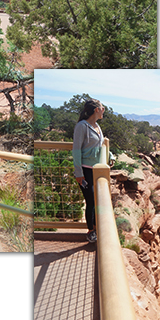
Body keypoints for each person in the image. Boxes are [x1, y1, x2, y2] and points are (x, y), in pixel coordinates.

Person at [72, 98, 105, 243]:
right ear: (96, 110)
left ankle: (98, 227)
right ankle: (91, 231)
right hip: (85, 170)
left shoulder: (97, 126)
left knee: (97, 200)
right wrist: (78, 173)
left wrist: (109, 155)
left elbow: (100, 145)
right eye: (102, 108)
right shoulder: (82, 126)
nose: (104, 110)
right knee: (90, 200)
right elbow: (77, 150)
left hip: (96, 170)